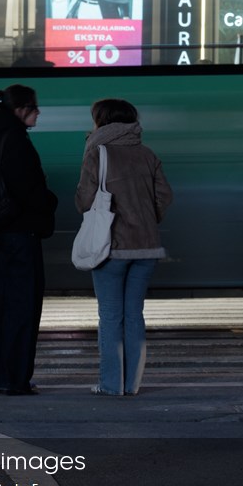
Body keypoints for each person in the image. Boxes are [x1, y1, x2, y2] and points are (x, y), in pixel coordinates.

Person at [76, 98, 172, 396]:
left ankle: (110, 384)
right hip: (146, 248)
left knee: (110, 316)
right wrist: (145, 219)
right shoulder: (147, 154)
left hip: (111, 248)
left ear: (101, 121)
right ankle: (131, 384)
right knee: (134, 315)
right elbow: (164, 197)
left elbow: (84, 199)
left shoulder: (97, 152)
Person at [0, 85, 58, 396]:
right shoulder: (16, 140)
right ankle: (15, 377)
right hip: (19, 233)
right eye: (34, 107)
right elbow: (29, 191)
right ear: (19, 109)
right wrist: (51, 201)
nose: (38, 113)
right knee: (22, 307)